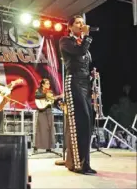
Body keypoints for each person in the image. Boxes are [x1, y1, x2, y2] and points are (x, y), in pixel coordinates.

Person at [59, 15, 97, 174]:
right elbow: (79, 52)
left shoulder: (82, 43)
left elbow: (86, 60)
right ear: (70, 27)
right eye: (77, 23)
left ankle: (76, 161)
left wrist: (92, 78)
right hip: (73, 81)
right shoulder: (66, 41)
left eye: (83, 22)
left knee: (87, 122)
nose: (81, 25)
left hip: (84, 84)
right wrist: (87, 36)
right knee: (79, 122)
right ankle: (79, 164)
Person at [34, 79, 56, 152]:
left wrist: (55, 98)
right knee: (41, 129)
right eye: (47, 83)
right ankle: (37, 146)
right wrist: (45, 95)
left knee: (49, 128)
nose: (48, 85)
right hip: (41, 111)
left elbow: (51, 101)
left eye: (49, 83)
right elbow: (37, 96)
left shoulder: (50, 92)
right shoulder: (38, 91)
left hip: (49, 111)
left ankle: (48, 147)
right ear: (42, 84)